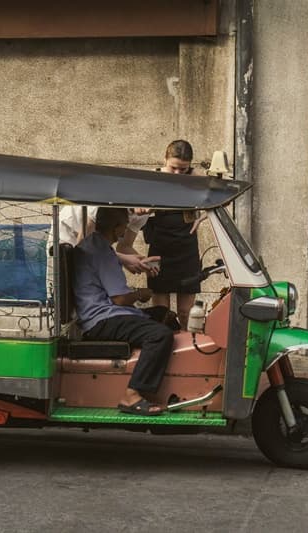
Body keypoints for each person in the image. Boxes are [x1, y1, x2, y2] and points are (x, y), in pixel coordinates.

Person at [73, 207, 174, 416]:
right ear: (117, 227)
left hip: (105, 313)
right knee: (160, 335)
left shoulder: (98, 245)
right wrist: (140, 293)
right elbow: (119, 299)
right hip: (102, 319)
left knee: (165, 315)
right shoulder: (101, 251)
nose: (125, 229)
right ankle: (132, 395)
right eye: (124, 225)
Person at [117, 140, 203, 330]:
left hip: (187, 251)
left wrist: (202, 215)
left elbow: (216, 192)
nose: (178, 174)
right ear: (165, 159)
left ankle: (188, 344)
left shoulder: (194, 179)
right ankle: (166, 344)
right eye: (174, 168)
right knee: (162, 312)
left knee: (185, 311)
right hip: (161, 249)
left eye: (184, 169)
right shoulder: (153, 180)